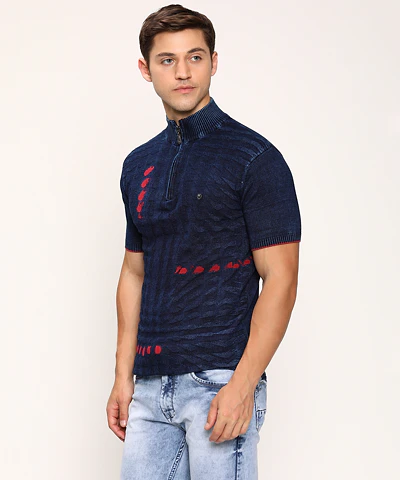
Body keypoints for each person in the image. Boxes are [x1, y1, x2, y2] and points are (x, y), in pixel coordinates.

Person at [106, 4, 301, 479]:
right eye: (167, 60)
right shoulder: (138, 165)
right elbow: (134, 273)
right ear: (145, 69)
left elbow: (281, 278)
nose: (183, 72)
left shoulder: (254, 157)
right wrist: (123, 376)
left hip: (219, 382)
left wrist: (243, 384)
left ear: (214, 62)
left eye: (194, 57)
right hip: (150, 387)